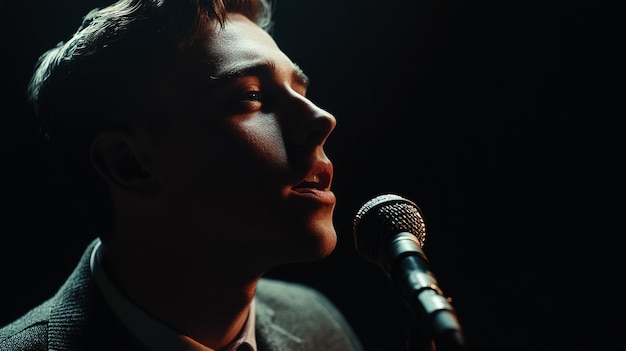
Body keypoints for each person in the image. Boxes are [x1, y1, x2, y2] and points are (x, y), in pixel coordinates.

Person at [0, 0, 364, 350]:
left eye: (300, 91)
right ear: (129, 164)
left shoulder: (320, 326)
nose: (322, 119)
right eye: (251, 95)